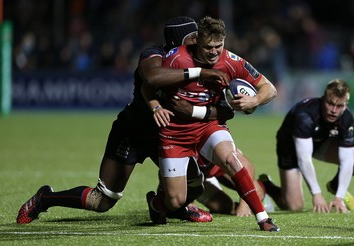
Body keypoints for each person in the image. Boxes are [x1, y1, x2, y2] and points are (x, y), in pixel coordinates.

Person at [16, 16, 228, 224]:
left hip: (166, 135)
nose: (198, 42)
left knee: (195, 185)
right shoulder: (154, 55)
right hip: (132, 133)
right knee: (102, 200)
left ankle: (164, 207)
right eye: (193, 38)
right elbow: (153, 77)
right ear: (177, 41)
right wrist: (198, 72)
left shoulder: (197, 59)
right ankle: (45, 198)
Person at [145, 16, 280, 232]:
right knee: (174, 200)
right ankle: (155, 204)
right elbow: (148, 86)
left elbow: (269, 88)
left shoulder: (231, 61)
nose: (214, 52)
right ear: (197, 40)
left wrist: (254, 100)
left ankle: (263, 218)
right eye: (208, 47)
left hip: (208, 126)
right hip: (175, 133)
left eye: (219, 46)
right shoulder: (176, 58)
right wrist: (156, 106)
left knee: (233, 160)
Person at [259, 79, 354, 213]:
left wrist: (339, 197)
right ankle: (267, 185)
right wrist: (317, 194)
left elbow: (347, 160)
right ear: (323, 99)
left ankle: (335, 186)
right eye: (330, 103)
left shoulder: (347, 118)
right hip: (290, 146)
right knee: (294, 206)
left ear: (345, 105)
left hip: (320, 143)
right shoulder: (305, 115)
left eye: (339, 106)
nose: (333, 110)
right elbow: (304, 158)